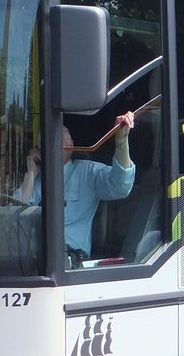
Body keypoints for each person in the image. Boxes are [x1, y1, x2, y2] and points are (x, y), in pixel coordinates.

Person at [15, 112, 136, 263]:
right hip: (25, 260)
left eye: (56, 140)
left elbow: (121, 185)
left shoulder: (87, 172)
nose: (49, 146)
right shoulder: (34, 179)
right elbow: (12, 218)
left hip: (69, 262)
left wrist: (121, 142)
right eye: (44, 143)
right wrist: (31, 174)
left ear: (71, 145)